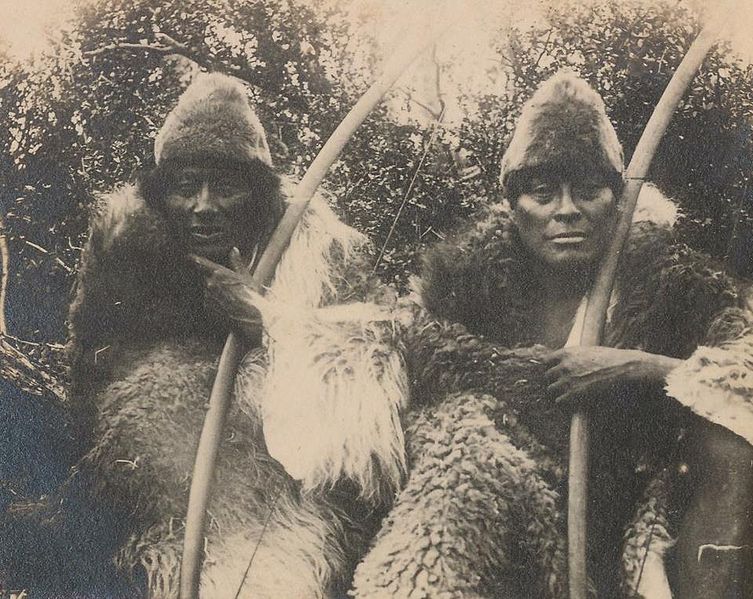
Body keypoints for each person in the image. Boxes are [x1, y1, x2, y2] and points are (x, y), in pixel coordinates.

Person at [351, 71, 753, 598]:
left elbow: (740, 374)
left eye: (588, 191)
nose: (566, 210)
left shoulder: (674, 282)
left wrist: (638, 368)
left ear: (617, 201)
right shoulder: (463, 286)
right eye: (542, 193)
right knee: (461, 441)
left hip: (624, 522)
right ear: (513, 206)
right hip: (492, 516)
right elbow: (405, 359)